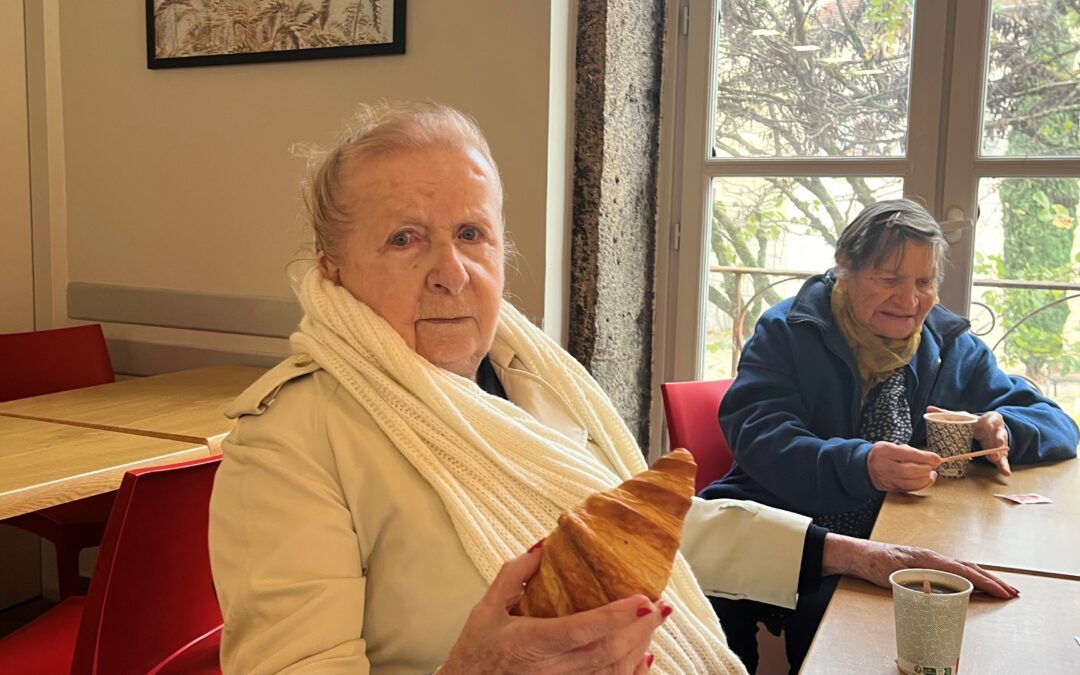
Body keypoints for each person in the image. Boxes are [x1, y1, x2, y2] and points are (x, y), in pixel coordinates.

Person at [208, 105, 1019, 674]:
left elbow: (648, 535)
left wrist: (855, 553)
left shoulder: (536, 382)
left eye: (471, 233)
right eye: (403, 238)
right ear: (333, 270)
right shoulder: (290, 443)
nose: (450, 271)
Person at [701, 198, 1079, 672]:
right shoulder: (789, 330)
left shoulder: (947, 343)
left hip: (901, 533)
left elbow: (1058, 423)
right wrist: (861, 464)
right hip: (796, 531)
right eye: (888, 279)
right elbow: (758, 434)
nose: (909, 300)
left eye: (924, 282)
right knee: (849, 645)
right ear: (845, 267)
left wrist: (1005, 428)